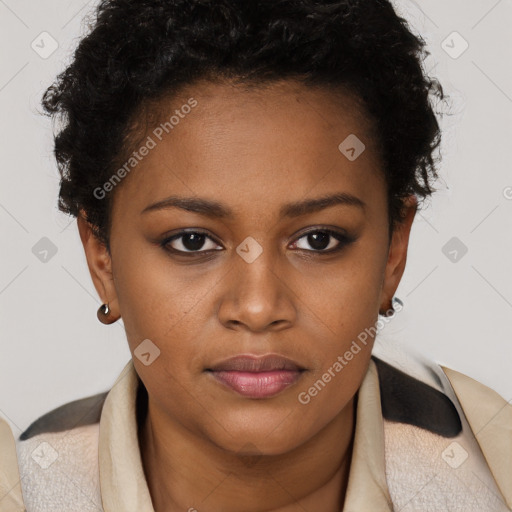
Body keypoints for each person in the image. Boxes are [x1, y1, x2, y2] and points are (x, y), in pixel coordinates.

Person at [3, 0, 511, 510]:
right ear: (102, 259)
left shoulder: (497, 474)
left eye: (318, 240)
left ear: (393, 252)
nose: (258, 307)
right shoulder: (22, 488)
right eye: (192, 241)